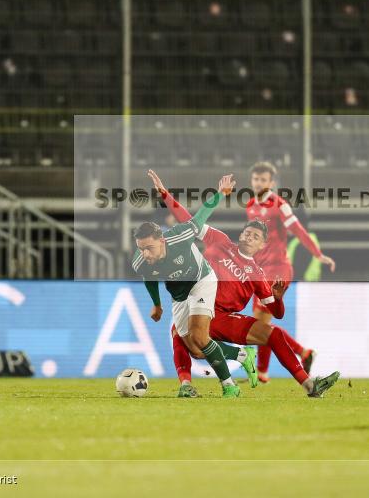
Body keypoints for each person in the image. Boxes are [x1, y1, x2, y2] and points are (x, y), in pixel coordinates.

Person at [149, 169, 341, 399]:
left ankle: (310, 386)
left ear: (262, 246)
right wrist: (165, 194)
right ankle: (187, 384)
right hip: (201, 307)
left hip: (225, 319)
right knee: (180, 334)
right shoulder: (220, 241)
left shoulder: (258, 275)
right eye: (247, 233)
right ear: (240, 236)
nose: (250, 237)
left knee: (275, 334)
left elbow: (277, 313)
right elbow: (188, 220)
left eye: (256, 237)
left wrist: (278, 297)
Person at [132, 174, 242, 398]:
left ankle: (230, 386)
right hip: (179, 295)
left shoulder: (180, 236)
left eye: (149, 248)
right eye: (141, 248)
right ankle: (242, 355)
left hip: (202, 281)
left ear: (161, 240)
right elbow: (148, 277)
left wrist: (221, 193)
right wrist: (157, 305)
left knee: (200, 337)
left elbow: (202, 215)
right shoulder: (140, 261)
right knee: (194, 348)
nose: (145, 254)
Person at [246, 161, 335, 383]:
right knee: (261, 324)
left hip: (278, 271)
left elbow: (297, 230)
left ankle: (264, 371)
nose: (259, 183)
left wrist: (317, 253)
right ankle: (300, 354)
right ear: (252, 181)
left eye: (264, 180)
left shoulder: (280, 204)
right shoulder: (249, 206)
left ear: (272, 183)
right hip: (261, 271)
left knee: (260, 323)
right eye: (256, 179)